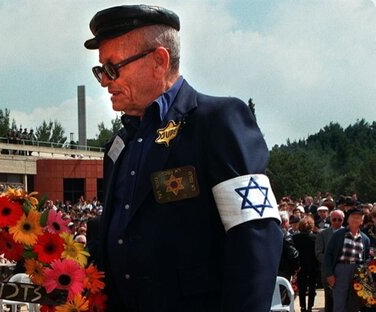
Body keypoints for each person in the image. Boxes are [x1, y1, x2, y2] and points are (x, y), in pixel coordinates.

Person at [84, 5, 282, 311]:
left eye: (112, 68)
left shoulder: (216, 121)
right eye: (100, 71)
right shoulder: (119, 145)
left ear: (158, 61)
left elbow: (254, 236)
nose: (104, 81)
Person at [324, 208, 370, 312]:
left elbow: (366, 258)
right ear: (348, 220)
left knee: (354, 303)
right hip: (341, 270)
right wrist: (329, 273)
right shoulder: (339, 235)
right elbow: (328, 255)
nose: (355, 220)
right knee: (339, 302)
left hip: (358, 272)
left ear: (362, 221)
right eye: (353, 217)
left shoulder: (365, 239)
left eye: (358, 218)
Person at [315, 209, 344, 312]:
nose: (336, 222)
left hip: (344, 272)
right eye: (334, 219)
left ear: (343, 220)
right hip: (328, 272)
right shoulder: (322, 233)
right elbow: (318, 253)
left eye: (339, 219)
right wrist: (330, 263)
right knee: (329, 301)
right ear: (330, 219)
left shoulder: (348, 233)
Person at [293, 216, 318, 312]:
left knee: (302, 286)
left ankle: (302, 306)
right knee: (312, 286)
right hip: (313, 265)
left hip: (300, 265)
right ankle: (310, 306)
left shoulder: (295, 237)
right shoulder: (315, 237)